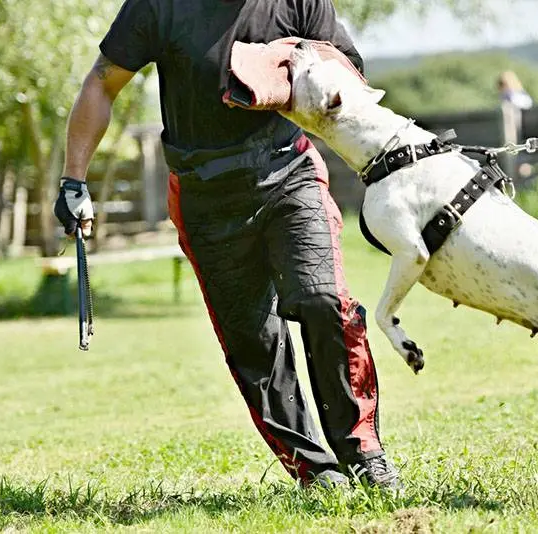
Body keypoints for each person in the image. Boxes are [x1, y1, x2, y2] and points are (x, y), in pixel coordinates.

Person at [54, 0, 400, 490]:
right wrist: (74, 180)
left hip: (289, 173)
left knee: (324, 301)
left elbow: (347, 73)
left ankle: (364, 452)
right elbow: (102, 82)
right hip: (204, 195)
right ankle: (314, 469)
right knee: (253, 344)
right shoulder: (158, 6)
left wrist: (282, 69)